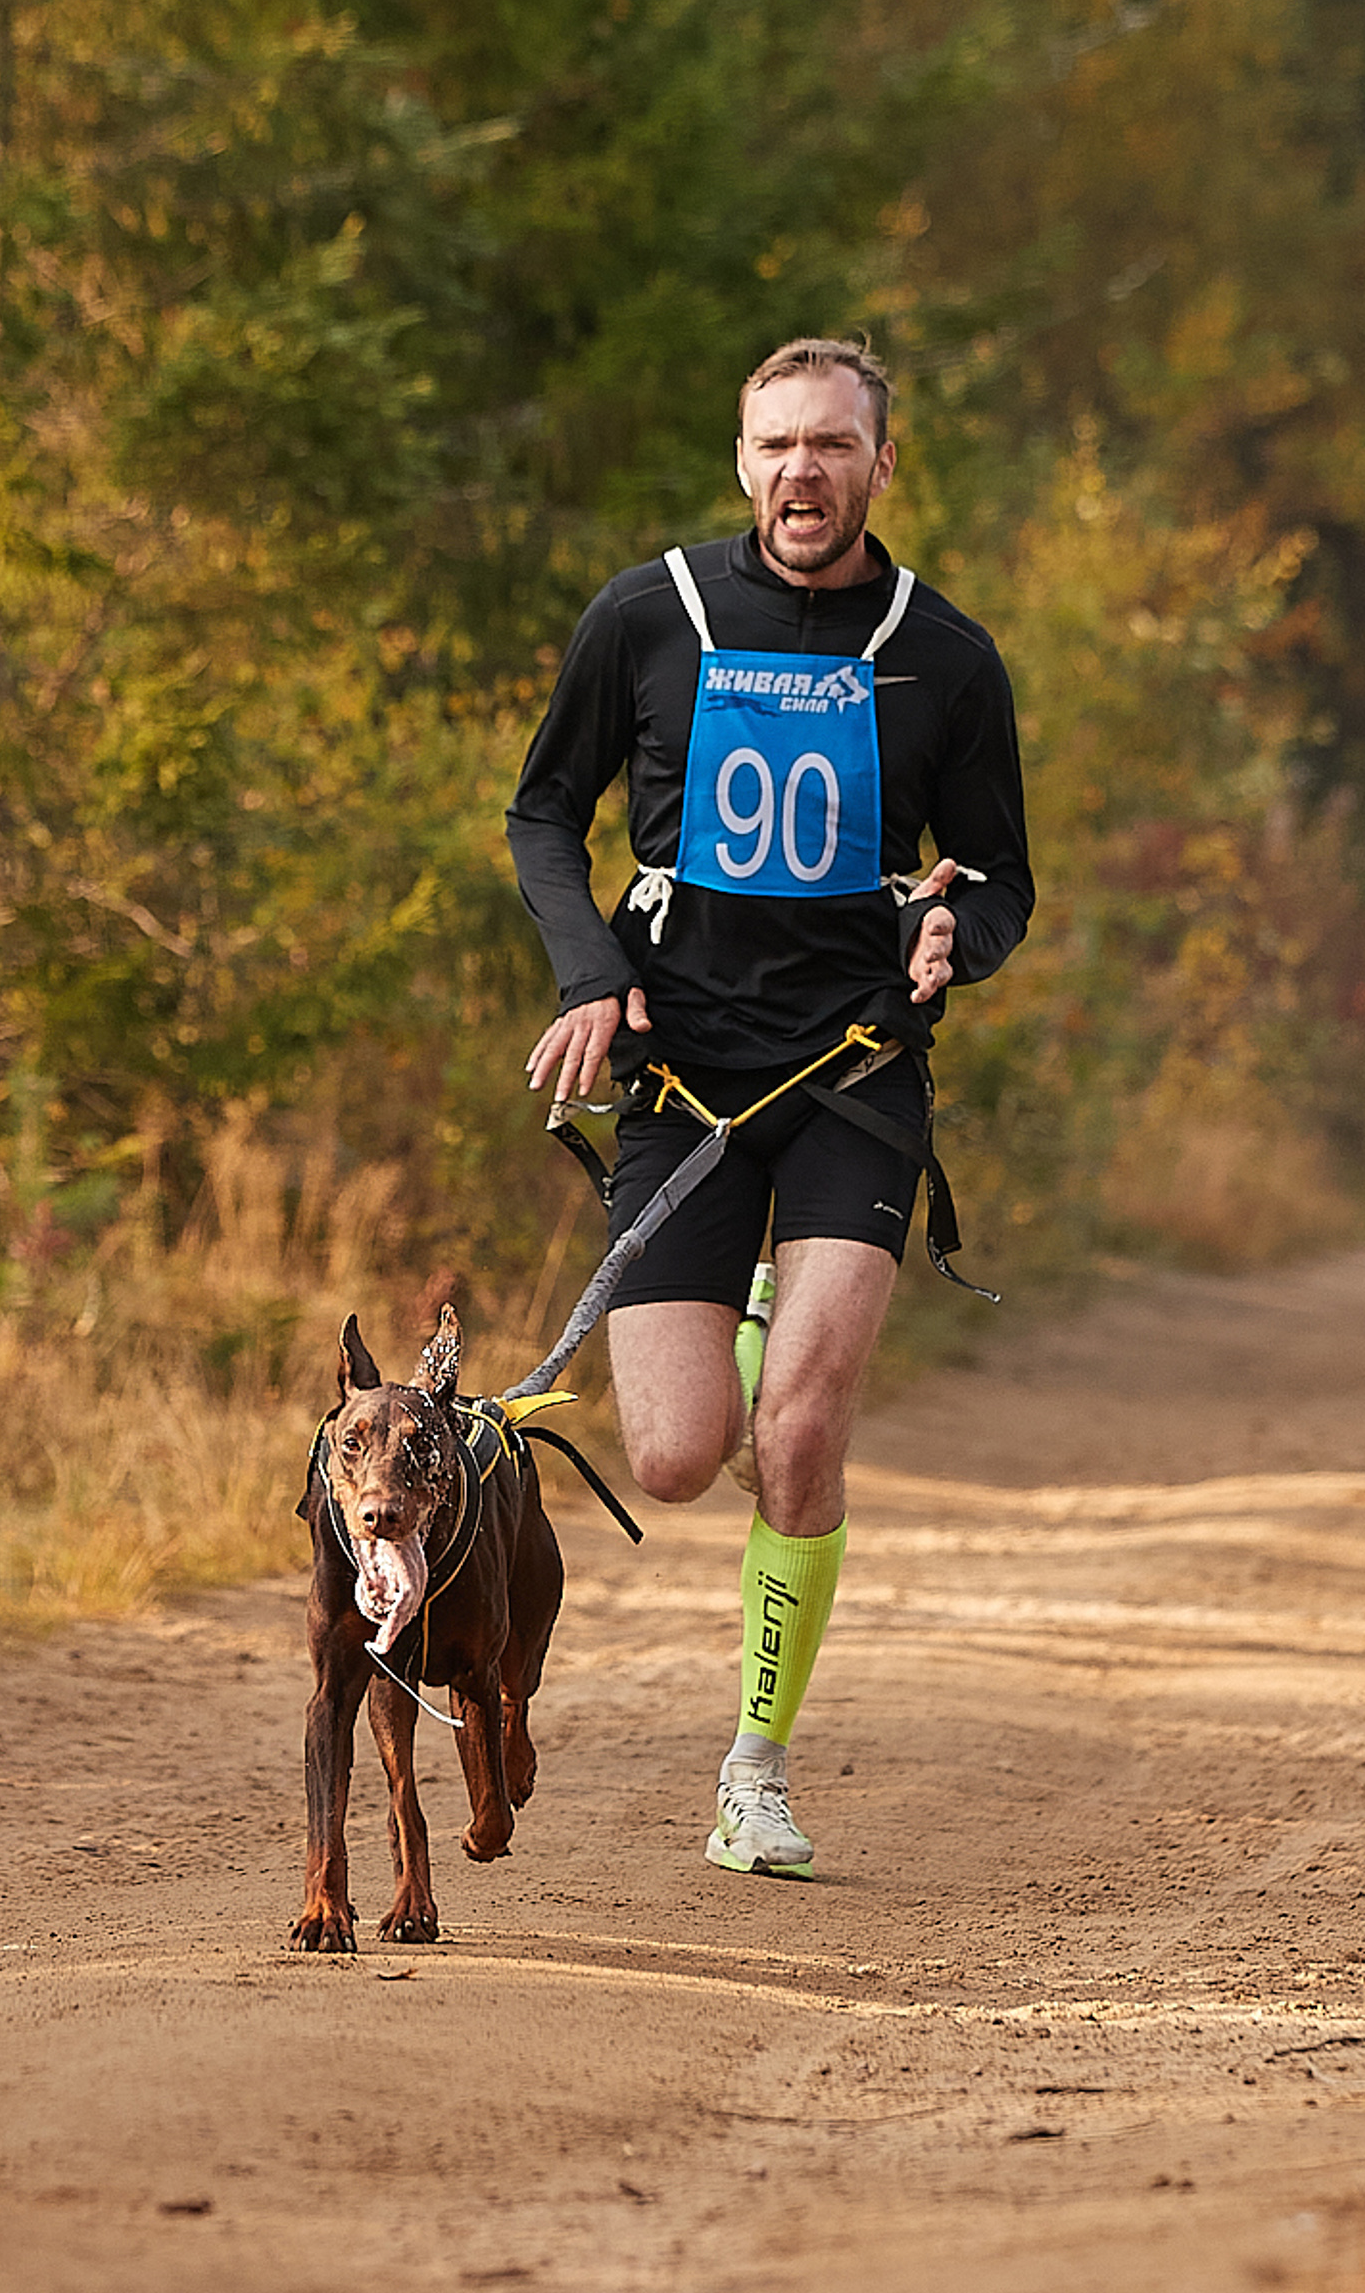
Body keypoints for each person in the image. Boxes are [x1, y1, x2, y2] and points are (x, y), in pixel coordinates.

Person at [506, 336, 1035, 1880]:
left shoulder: (945, 651)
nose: (802, 471)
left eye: (832, 445)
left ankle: (756, 1769)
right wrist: (588, 973)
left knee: (800, 1432)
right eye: (776, 446)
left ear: (882, 462)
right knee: (677, 1457)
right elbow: (545, 810)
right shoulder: (649, 613)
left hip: (853, 1077)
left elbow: (1000, 873)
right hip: (677, 1075)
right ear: (744, 464)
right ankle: (746, 1307)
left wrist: (958, 933)